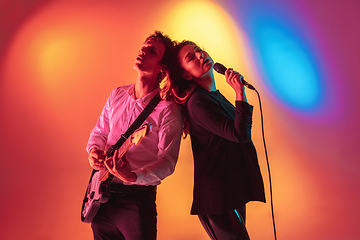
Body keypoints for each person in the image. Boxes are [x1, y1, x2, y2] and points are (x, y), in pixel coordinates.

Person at [86, 31, 183, 240]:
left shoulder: (168, 109)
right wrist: (94, 151)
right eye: (143, 46)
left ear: (162, 67)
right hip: (102, 195)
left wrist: (133, 176)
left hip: (136, 202)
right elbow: (100, 132)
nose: (143, 51)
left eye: (152, 51)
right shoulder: (117, 94)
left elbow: (167, 161)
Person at [165, 40, 266, 240]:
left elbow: (239, 133)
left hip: (231, 191)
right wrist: (239, 93)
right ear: (186, 74)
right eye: (191, 57)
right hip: (217, 199)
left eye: (199, 50)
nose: (200, 55)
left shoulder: (213, 95)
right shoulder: (198, 101)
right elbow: (240, 135)